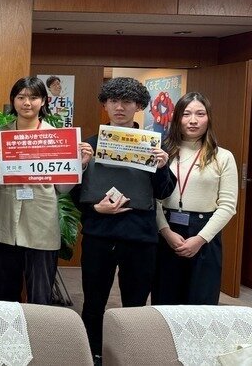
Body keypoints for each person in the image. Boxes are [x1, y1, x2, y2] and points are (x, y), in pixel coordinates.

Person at [72, 77, 175, 361]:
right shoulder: (89, 146)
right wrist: (95, 209)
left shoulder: (153, 146)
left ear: (139, 106)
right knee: (93, 302)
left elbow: (164, 192)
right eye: (113, 101)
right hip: (99, 234)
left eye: (127, 102)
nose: (120, 107)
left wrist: (162, 167)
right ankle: (92, 355)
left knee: (135, 304)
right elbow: (73, 193)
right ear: (104, 105)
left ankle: (130, 356)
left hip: (139, 236)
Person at [0, 76, 92, 304]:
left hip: (41, 224)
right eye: (21, 97)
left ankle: (37, 329)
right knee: (5, 293)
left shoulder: (58, 138)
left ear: (43, 101)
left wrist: (79, 164)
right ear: (13, 100)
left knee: (40, 296)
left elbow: (62, 188)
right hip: (5, 222)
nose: (27, 103)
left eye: (33, 97)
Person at [152, 92, 238, 305]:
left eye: (200, 114)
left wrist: (200, 239)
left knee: (201, 304)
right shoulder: (162, 153)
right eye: (186, 114)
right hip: (167, 232)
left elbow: (228, 206)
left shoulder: (223, 156)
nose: (193, 120)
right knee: (165, 301)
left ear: (208, 118)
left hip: (204, 234)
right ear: (177, 118)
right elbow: (153, 198)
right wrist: (166, 232)